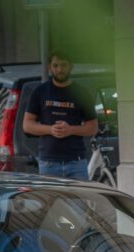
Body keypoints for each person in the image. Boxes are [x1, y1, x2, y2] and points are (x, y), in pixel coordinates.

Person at [22, 50, 98, 180]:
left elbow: (93, 127)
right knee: (50, 195)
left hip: (76, 161)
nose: (59, 69)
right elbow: (27, 125)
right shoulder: (40, 91)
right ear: (49, 67)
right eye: (55, 65)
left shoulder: (82, 93)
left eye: (63, 65)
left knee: (79, 194)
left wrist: (70, 130)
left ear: (71, 66)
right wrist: (51, 129)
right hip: (48, 162)